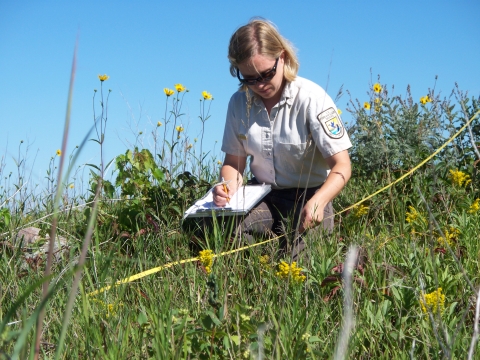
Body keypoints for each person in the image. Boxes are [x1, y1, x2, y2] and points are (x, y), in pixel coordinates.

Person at [211, 18, 352, 260]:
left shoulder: (313, 98)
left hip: (311, 196)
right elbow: (234, 163)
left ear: (283, 57)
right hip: (262, 196)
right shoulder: (238, 103)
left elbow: (342, 166)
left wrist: (319, 201)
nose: (260, 84)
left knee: (301, 267)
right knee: (228, 242)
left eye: (266, 74)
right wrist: (228, 187)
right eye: (249, 79)